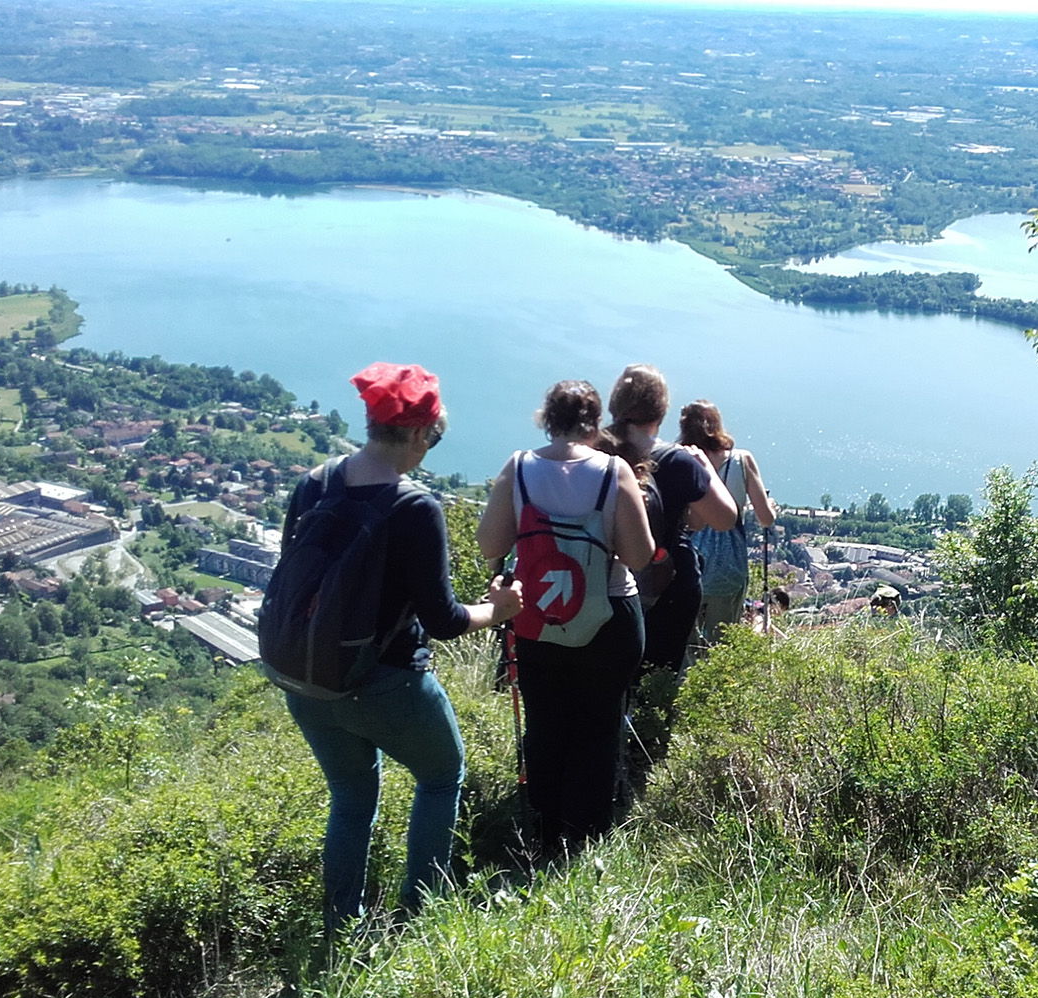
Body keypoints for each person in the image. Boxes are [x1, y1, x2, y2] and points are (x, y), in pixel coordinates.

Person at [281, 362, 522, 939]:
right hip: (387, 682)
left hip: (306, 681)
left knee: (351, 794)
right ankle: (418, 919)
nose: (430, 451)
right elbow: (441, 620)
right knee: (442, 777)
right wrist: (499, 611)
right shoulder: (414, 506)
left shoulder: (315, 482)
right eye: (433, 438)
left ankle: (342, 925)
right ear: (417, 433)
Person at [477, 379, 654, 855]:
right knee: (598, 726)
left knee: (546, 723)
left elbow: (491, 545)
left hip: (538, 620)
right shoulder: (614, 472)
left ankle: (544, 827)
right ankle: (585, 837)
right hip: (610, 617)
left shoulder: (518, 470)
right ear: (596, 425)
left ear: (545, 419)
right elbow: (639, 556)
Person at [604, 365, 736, 674]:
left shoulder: (592, 450)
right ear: (660, 412)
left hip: (599, 577)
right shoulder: (677, 460)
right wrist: (705, 467)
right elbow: (725, 518)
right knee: (656, 681)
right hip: (667, 584)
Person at [678, 399, 776, 648]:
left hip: (689, 563)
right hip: (728, 566)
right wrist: (770, 507)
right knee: (722, 645)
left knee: (687, 644)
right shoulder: (741, 461)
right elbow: (765, 518)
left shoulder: (679, 460)